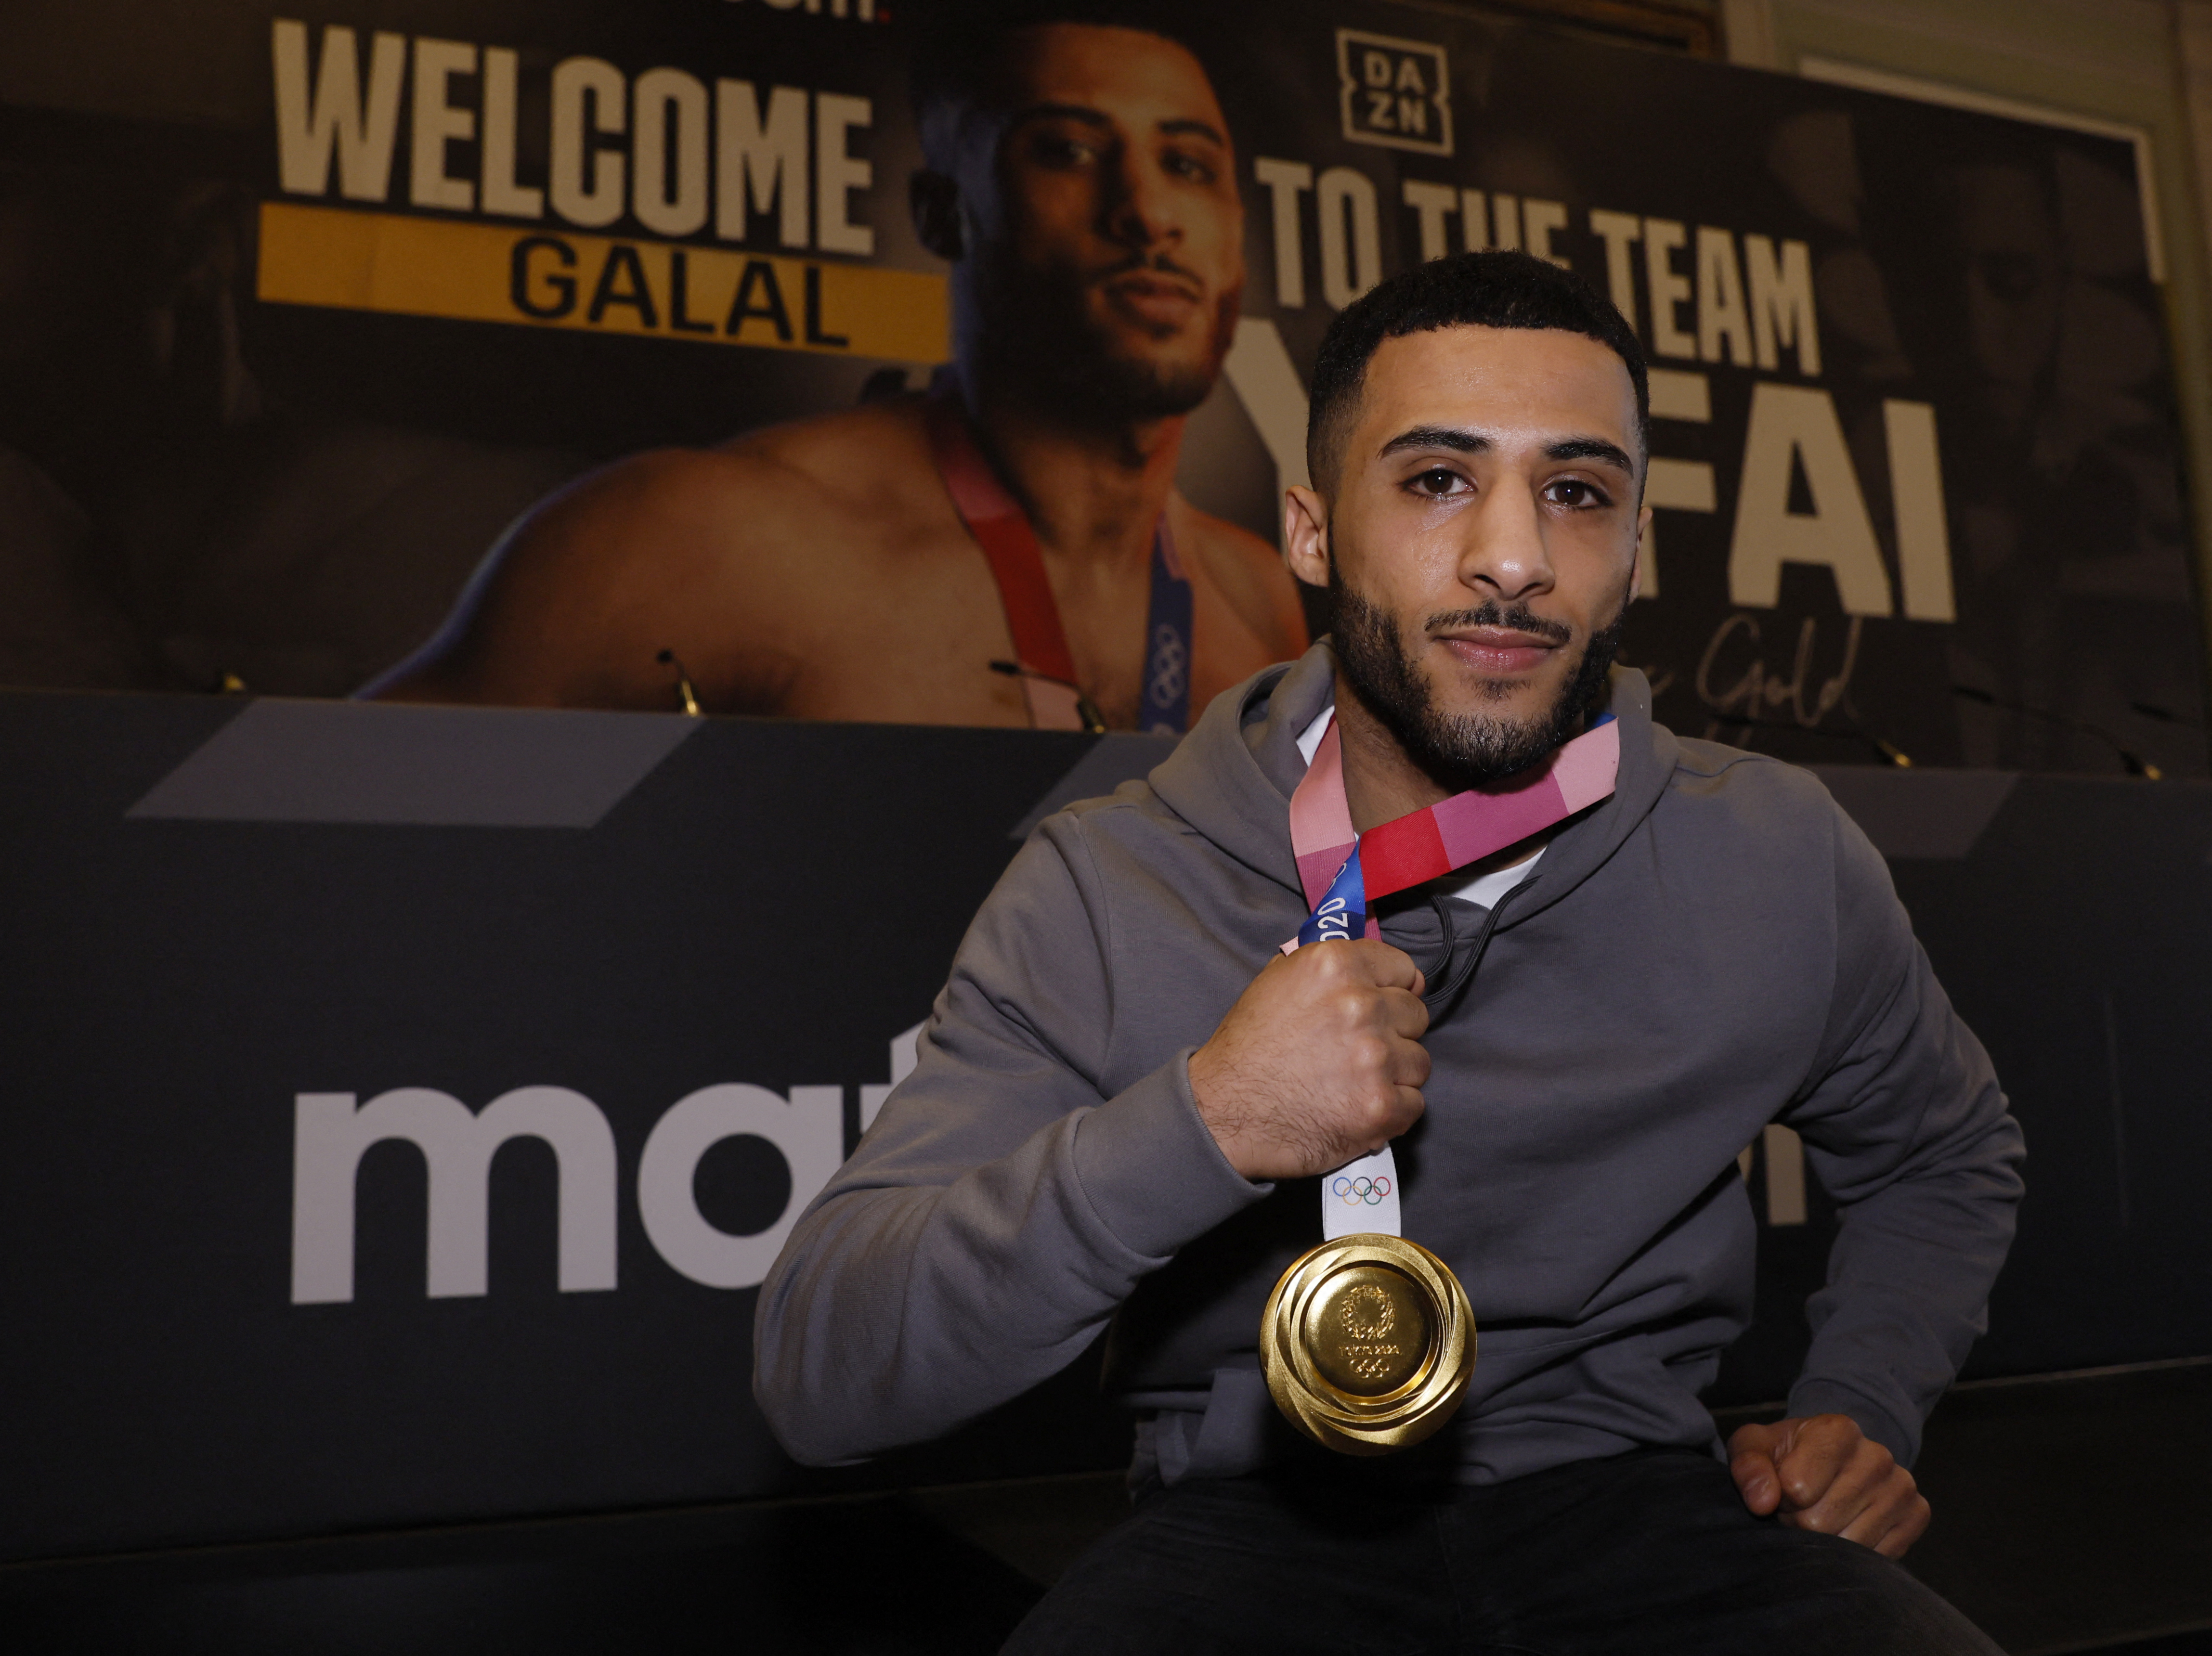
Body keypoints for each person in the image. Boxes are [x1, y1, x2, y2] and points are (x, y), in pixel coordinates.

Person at [753, 250, 2023, 1651]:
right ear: (1310, 531)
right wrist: (1208, 1121)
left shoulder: (1771, 849)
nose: (1514, 557)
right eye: (1435, 481)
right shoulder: (1111, 886)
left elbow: (1943, 1152)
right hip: (1238, 1530)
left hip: (1654, 1508)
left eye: (1576, 493)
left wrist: (1862, 1399)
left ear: (1635, 548)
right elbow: (823, 1373)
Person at [365, 4, 1305, 730]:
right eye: (1065, 150)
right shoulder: (708, 542)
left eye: (1186, 164)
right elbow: (314, 826)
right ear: (941, 214)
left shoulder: (1252, 598)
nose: (1144, 211)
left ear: (1234, 230)